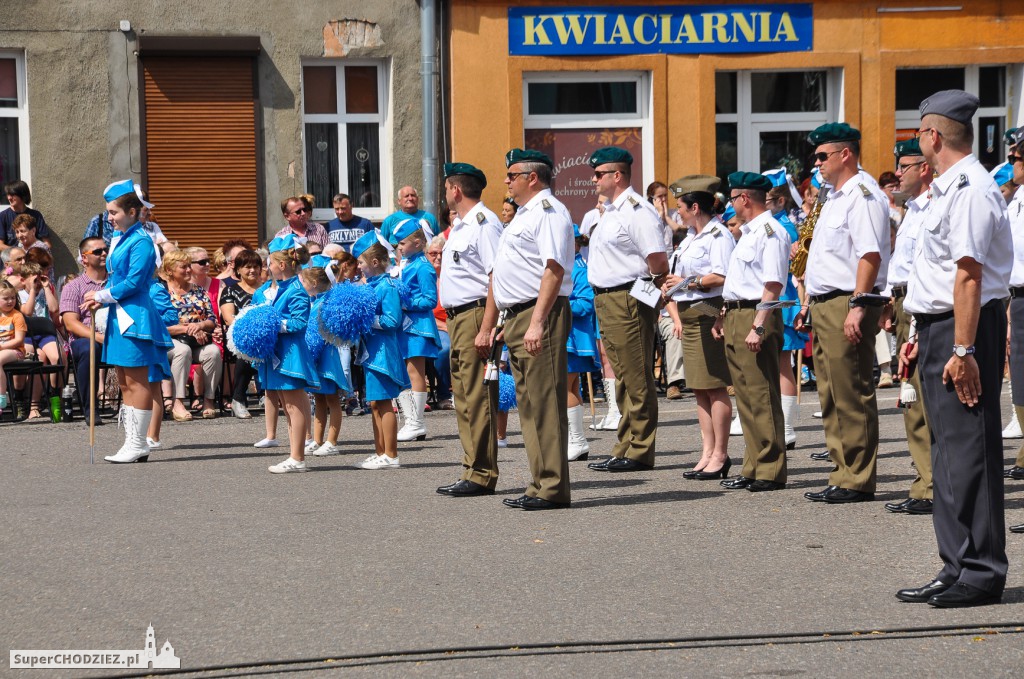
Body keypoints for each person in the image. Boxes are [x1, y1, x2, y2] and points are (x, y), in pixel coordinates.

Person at [896, 89, 1012, 607]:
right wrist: (923, 335)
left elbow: (968, 276)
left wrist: (963, 351)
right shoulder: (945, 190)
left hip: (967, 329)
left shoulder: (970, 188)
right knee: (945, 453)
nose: (917, 142)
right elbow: (938, 274)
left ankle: (983, 571)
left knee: (970, 452)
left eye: (919, 132)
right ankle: (956, 562)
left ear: (933, 136)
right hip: (940, 327)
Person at [794, 122, 890, 505]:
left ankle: (859, 478)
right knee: (831, 393)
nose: (815, 163)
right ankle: (842, 472)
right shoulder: (833, 197)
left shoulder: (862, 195)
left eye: (821, 155)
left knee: (851, 391)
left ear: (844, 154)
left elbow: (869, 254)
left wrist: (858, 303)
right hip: (824, 303)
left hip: (847, 301)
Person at [490, 148, 574, 510]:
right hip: (519, 314)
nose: (507, 181)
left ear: (532, 178)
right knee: (529, 404)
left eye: (512, 175)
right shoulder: (525, 215)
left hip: (541, 313)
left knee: (545, 402)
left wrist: (537, 321)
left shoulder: (548, 212)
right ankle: (540, 481)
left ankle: (553, 487)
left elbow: (553, 269)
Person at [584, 147, 670, 475]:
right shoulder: (612, 211)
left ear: (616, 176)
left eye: (599, 174)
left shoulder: (637, 210)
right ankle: (625, 445)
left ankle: (639, 449)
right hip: (608, 298)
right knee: (622, 375)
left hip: (628, 296)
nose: (593, 180)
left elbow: (658, 261)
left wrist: (645, 292)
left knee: (636, 376)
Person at [81, 180, 173, 464]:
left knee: (138, 381)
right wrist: (99, 294)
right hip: (120, 316)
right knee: (123, 381)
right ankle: (132, 442)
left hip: (136, 316)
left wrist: (103, 295)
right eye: (108, 212)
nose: (109, 218)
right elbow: (117, 278)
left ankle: (139, 443)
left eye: (114, 212)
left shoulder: (142, 241)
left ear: (133, 212)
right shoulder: (121, 238)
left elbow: (134, 281)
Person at [715, 172, 791, 492]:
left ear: (744, 199)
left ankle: (770, 469)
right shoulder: (748, 233)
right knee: (745, 396)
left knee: (761, 394)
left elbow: (772, 284)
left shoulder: (770, 231)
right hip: (736, 314)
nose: (731, 205)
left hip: (756, 314)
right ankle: (753, 464)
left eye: (732, 199)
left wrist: (758, 326)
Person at [435, 163, 504, 497]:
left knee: (477, 397)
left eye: (447, 187)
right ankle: (472, 468)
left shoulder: (484, 224)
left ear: (456, 190)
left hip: (475, 315)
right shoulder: (462, 225)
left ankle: (481, 473)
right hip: (457, 318)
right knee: (463, 397)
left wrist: (487, 327)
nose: (445, 192)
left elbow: (496, 277)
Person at [662, 175, 735, 480]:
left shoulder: (718, 236)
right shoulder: (692, 237)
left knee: (715, 385)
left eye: (679, 206)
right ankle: (707, 451)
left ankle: (721, 453)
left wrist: (686, 282)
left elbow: (721, 276)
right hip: (689, 312)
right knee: (700, 388)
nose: (676, 212)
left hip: (709, 311)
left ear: (694, 206)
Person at [881, 138, 934, 516]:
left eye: (906, 166)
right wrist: (888, 301)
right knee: (910, 397)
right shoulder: (912, 210)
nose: (898, 173)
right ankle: (924, 481)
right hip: (901, 302)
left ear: (925, 168)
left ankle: (931, 486)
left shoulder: (932, 208)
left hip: (919, 305)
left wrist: (911, 320)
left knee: (922, 398)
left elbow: (925, 270)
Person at [253, 235, 321, 473]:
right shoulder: (284, 289)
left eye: (270, 263)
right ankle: (295, 455)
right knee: (290, 405)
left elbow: (300, 323)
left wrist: (273, 323)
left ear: (281, 265)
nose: (267, 267)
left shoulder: (296, 290)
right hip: (283, 353)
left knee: (294, 407)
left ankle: (297, 458)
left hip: (291, 354)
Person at [352, 231, 409, 470]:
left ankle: (391, 454)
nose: (358, 266)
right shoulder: (370, 286)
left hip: (383, 352)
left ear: (374, 262)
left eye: (361, 262)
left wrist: (366, 320)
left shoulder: (387, 286)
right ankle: (380, 452)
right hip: (371, 351)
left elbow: (392, 320)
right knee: (375, 403)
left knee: (384, 402)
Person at [391, 218, 442, 442]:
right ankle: (411, 420)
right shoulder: (407, 264)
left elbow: (430, 300)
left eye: (402, 243)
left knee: (415, 373)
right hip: (406, 327)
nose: (399, 247)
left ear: (419, 243)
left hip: (419, 327)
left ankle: (417, 422)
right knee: (406, 373)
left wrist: (404, 302)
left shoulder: (423, 267)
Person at [161, 250, 222, 420]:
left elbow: (211, 319)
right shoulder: (161, 292)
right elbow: (158, 326)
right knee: (182, 351)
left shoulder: (199, 291)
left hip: (197, 341)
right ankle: (178, 402)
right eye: (183, 267)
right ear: (169, 270)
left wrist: (199, 325)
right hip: (169, 342)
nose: (189, 270)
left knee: (213, 352)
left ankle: (209, 400)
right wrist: (187, 329)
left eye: (189, 266)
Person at [1001, 128, 1024, 534]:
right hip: (1018, 299)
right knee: (1021, 389)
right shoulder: (1017, 199)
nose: (1013, 162)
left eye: (1019, 157)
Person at [59, 237, 109, 424]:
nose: (104, 253)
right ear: (84, 258)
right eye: (97, 251)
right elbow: (71, 323)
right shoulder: (73, 287)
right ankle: (91, 408)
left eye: (105, 249)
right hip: (85, 339)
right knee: (90, 348)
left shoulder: (117, 284)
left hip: (117, 334)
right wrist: (99, 337)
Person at [301, 263, 348, 457]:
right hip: (318, 359)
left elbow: (317, 334)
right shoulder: (317, 301)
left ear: (313, 283)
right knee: (319, 399)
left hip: (326, 359)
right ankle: (318, 440)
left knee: (332, 400)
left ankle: (332, 441)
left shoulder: (323, 303)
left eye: (303, 281)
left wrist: (310, 355)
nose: (301, 284)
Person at [566, 225, 598, 461]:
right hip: (568, 336)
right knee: (570, 387)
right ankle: (576, 440)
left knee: (564, 387)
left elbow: (586, 304)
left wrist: (556, 306)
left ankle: (577, 440)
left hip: (574, 337)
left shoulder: (578, 268)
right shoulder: (568, 265)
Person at [219, 249, 263, 419]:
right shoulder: (230, 291)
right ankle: (238, 399)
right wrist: (251, 331)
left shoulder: (267, 289)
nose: (252, 270)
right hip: (239, 337)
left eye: (255, 266)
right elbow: (229, 318)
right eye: (247, 267)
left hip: (267, 337)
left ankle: (268, 394)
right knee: (248, 349)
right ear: (238, 270)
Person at [426, 234, 453, 410]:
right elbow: (425, 309)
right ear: (427, 255)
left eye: (442, 253)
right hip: (433, 325)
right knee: (444, 349)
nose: (438, 257)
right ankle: (444, 394)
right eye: (433, 253)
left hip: (453, 323)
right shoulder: (425, 276)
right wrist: (446, 327)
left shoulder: (452, 275)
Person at [1, 180, 51, 252]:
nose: (9, 198)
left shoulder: (36, 215)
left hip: (32, 260)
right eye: (7, 195)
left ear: (22, 195)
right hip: (11, 260)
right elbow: (0, 245)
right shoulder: (3, 216)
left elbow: (47, 243)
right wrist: (19, 252)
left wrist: (32, 253)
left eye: (12, 195)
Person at [0, 283, 27, 411]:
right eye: (6, 298)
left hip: (15, 351)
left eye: (13, 297)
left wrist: (1, 346)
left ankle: (1, 398)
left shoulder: (17, 316)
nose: (10, 301)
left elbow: (19, 340)